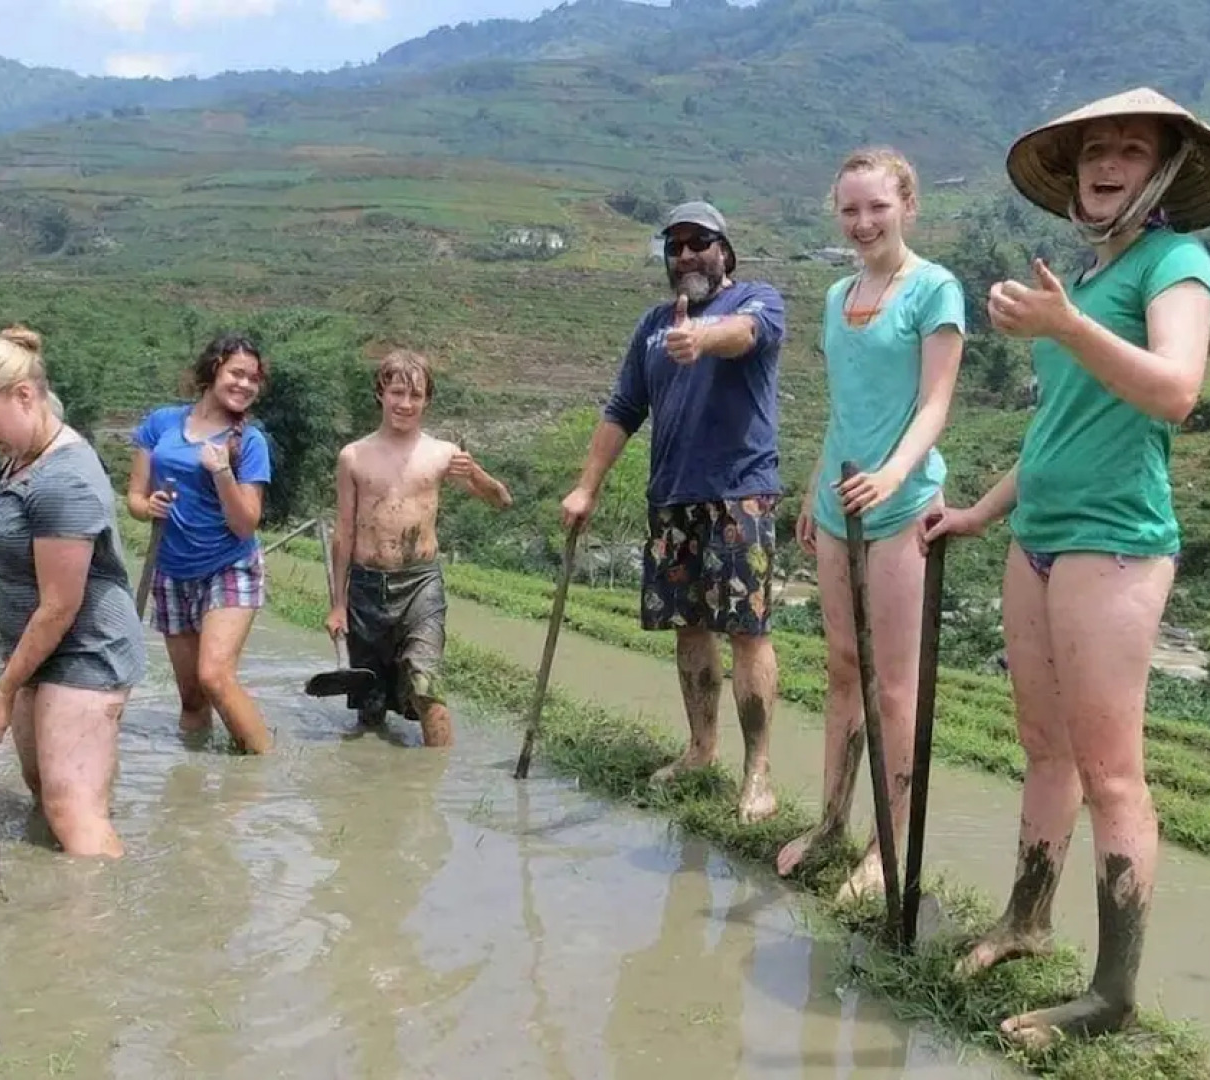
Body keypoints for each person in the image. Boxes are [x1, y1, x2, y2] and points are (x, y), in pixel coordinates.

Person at [922, 87, 1210, 1048]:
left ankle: (1112, 995)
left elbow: (1178, 391)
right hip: (1041, 538)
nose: (1106, 161)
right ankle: (1026, 918)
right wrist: (981, 511)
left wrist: (1066, 329)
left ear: (1165, 170)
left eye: (1131, 149)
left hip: (1115, 541)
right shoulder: (1085, 276)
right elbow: (1057, 429)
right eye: (1094, 149)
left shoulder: (1175, 263)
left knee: (1112, 773)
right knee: (1043, 744)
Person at [776, 148, 967, 900]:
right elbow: (844, 408)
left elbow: (935, 404)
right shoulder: (836, 296)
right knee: (841, 670)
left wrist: (891, 474)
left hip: (899, 507)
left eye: (877, 207)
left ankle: (888, 850)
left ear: (908, 205)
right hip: (837, 503)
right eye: (850, 209)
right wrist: (814, 488)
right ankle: (830, 821)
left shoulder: (934, 290)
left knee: (896, 687)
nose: (862, 223)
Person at [561, 200, 786, 824]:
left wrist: (702, 338)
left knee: (748, 631)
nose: (686, 254)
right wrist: (587, 487)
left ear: (726, 252)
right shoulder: (651, 327)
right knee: (689, 628)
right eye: (675, 245)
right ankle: (700, 749)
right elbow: (621, 410)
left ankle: (758, 774)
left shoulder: (758, 300)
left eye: (699, 242)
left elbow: (745, 337)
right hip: (673, 496)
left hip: (741, 493)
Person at [0, 325, 145, 859]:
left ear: (23, 396)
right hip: (32, 650)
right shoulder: (23, 452)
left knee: (74, 811)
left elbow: (60, 604)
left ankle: (98, 933)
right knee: (46, 791)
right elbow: (10, 522)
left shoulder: (64, 479)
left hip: (83, 652)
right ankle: (57, 920)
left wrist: (2, 690)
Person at [326, 349, 512, 748]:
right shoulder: (353, 456)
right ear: (381, 393)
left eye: (415, 395)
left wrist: (477, 473)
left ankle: (435, 783)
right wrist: (338, 604)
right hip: (365, 587)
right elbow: (343, 531)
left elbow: (501, 501)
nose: (405, 404)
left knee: (426, 683)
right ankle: (370, 788)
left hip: (420, 585)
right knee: (370, 702)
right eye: (396, 393)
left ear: (428, 399)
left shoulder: (442, 454)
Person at [127, 333, 273, 754]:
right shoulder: (161, 424)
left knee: (214, 676)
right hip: (170, 569)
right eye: (237, 374)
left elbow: (246, 524)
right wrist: (146, 505)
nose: (245, 385)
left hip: (229, 564)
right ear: (213, 371)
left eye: (254, 379)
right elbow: (135, 498)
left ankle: (263, 774)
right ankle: (193, 786)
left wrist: (223, 472)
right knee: (192, 697)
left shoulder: (249, 442)